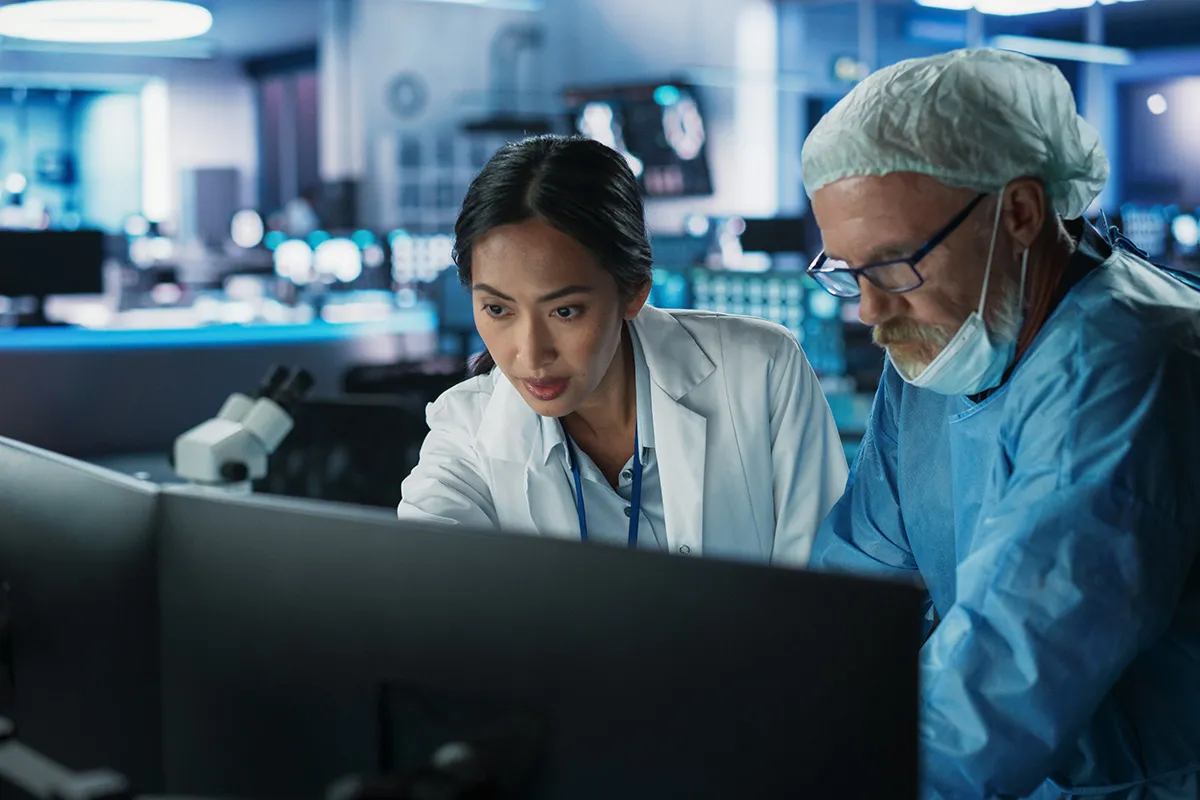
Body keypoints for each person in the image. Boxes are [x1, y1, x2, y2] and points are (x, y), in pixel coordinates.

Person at [802, 49, 1200, 798]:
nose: (870, 312)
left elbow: (1002, 686)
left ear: (1020, 211)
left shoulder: (1131, 359)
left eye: (892, 265)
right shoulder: (943, 344)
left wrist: (799, 766)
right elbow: (854, 599)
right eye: (847, 272)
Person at [397, 134, 847, 565]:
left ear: (633, 292)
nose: (530, 355)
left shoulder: (761, 370)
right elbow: (422, 577)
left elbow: (827, 585)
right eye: (497, 309)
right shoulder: (465, 429)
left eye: (566, 311)